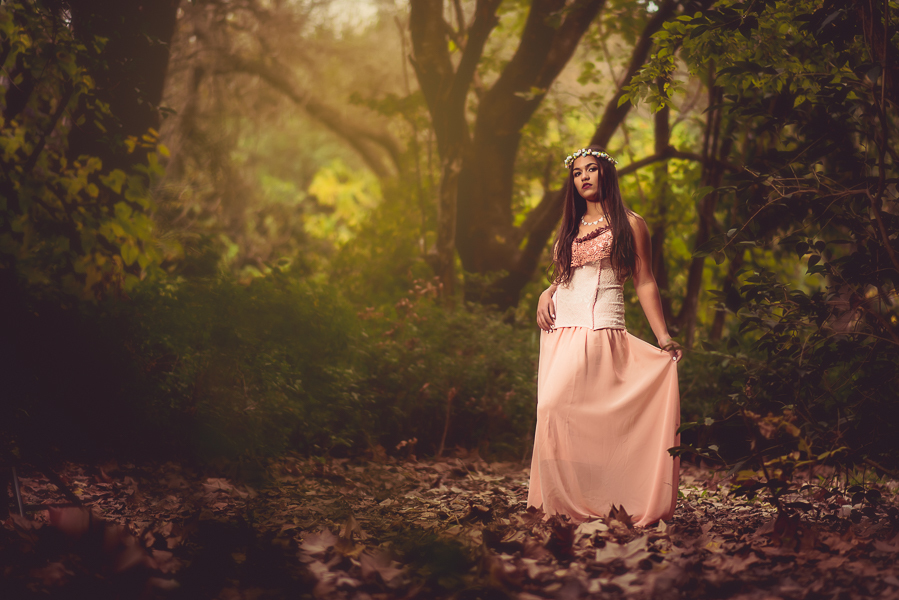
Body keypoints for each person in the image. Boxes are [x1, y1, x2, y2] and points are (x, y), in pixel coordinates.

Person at [528, 146, 682, 527]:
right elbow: (565, 277)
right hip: (559, 331)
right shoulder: (570, 227)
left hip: (600, 329)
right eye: (577, 172)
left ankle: (600, 501)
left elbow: (645, 281)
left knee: (570, 413)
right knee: (552, 413)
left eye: (591, 169)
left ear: (606, 174)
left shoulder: (631, 224)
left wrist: (663, 336)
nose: (584, 177)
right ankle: (560, 506)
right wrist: (544, 294)